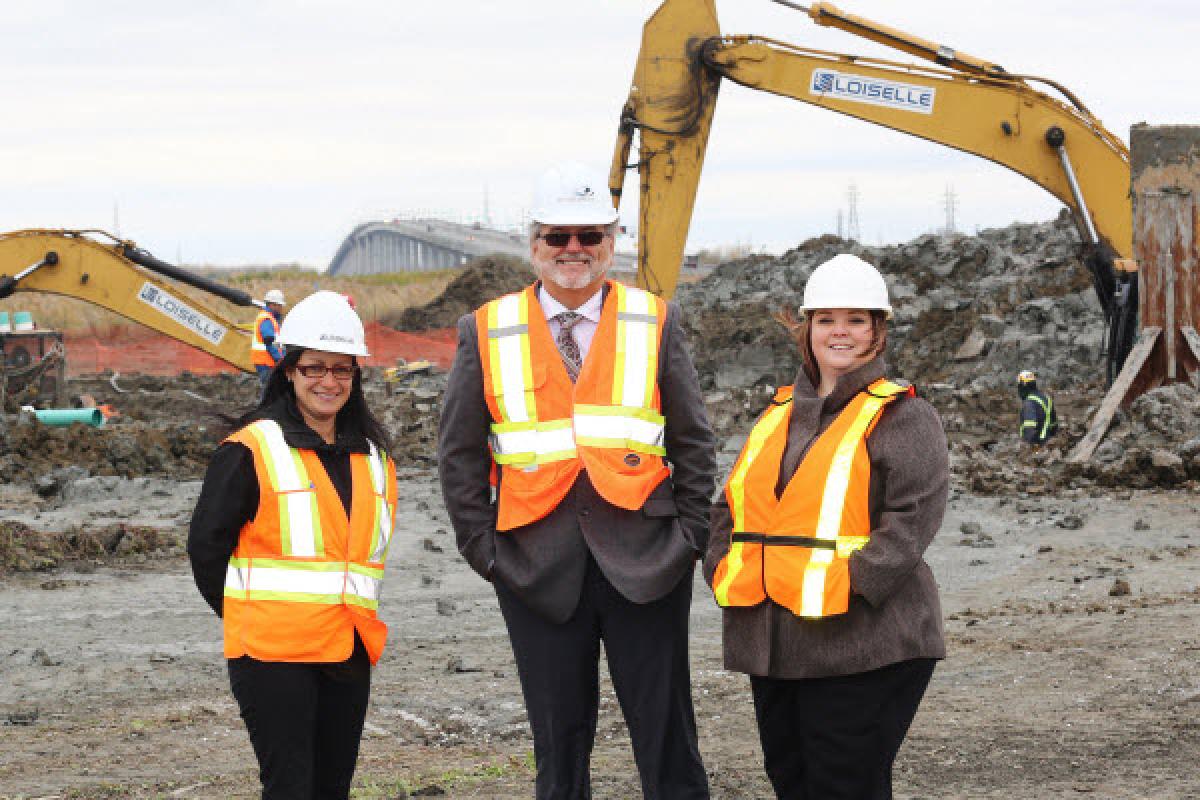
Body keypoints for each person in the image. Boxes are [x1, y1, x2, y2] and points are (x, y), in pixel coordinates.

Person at [438, 162, 716, 799]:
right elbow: (457, 455)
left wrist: (690, 536)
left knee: (667, 737)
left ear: (611, 244)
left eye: (588, 236)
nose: (572, 250)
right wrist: (484, 550)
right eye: (557, 236)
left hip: (648, 562)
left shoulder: (654, 320)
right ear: (533, 244)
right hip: (534, 565)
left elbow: (694, 440)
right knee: (558, 747)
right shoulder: (485, 330)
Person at [705, 253, 948, 800]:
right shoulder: (779, 415)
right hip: (772, 642)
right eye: (826, 319)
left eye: (857, 319)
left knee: (844, 786)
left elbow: (913, 520)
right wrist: (720, 563)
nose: (840, 331)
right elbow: (731, 504)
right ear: (806, 328)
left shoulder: (903, 415)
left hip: (864, 643)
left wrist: (858, 582)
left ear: (878, 332)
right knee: (792, 781)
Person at [188, 290, 398, 799]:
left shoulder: (373, 458)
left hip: (347, 650)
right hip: (272, 655)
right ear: (289, 372)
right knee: (289, 787)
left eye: (342, 370)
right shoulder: (251, 448)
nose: (329, 382)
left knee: (332, 787)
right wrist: (248, 613)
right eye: (314, 369)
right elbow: (206, 548)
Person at [251, 289, 286, 396]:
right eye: (279, 305)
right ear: (272, 304)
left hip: (267, 360)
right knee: (268, 391)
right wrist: (279, 358)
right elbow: (269, 340)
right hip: (266, 361)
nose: (281, 308)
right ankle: (264, 412)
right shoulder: (266, 319)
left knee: (270, 390)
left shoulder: (270, 318)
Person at [1017, 369, 1058, 445]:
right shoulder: (1046, 398)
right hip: (1048, 444)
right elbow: (1054, 425)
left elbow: (1030, 430)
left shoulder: (1029, 403)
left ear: (1023, 385)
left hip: (1038, 446)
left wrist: (1029, 447)